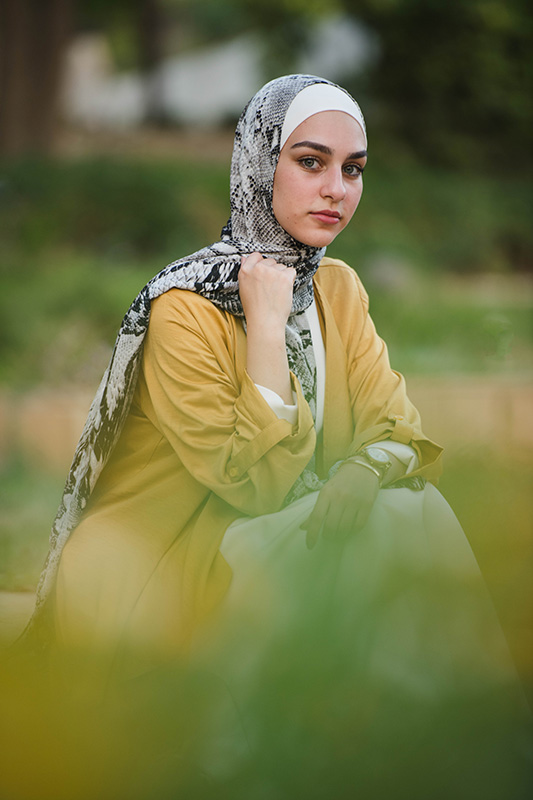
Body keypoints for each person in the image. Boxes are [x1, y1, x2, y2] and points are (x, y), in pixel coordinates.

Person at [20, 75, 529, 797]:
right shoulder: (184, 309)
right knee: (388, 520)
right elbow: (252, 483)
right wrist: (263, 323)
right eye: (310, 162)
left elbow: (396, 427)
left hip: (285, 524)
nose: (336, 190)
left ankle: (451, 750)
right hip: (165, 551)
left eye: (352, 169)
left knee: (405, 504)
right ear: (260, 163)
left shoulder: (338, 288)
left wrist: (362, 471)